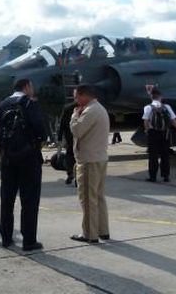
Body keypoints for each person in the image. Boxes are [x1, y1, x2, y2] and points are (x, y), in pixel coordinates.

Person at [0, 79, 47, 251]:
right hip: (28, 158)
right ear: (27, 87)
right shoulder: (29, 104)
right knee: (29, 200)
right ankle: (29, 240)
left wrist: (3, 153)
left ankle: (6, 237)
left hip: (7, 159)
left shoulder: (1, 104)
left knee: (7, 199)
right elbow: (41, 131)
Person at [69, 84, 111, 244]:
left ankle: (89, 234)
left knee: (87, 198)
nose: (75, 101)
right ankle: (102, 230)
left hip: (89, 161)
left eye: (76, 97)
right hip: (99, 158)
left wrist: (74, 116)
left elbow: (77, 131)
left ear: (84, 95)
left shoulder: (90, 110)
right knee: (98, 197)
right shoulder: (98, 108)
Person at [142, 88, 176, 183]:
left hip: (153, 133)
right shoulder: (167, 107)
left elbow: (146, 121)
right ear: (160, 97)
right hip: (165, 133)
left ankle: (153, 177)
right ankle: (166, 176)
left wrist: (147, 131)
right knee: (165, 155)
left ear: (152, 97)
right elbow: (173, 120)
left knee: (153, 156)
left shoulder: (148, 107)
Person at [57, 101, 77, 185]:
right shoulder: (85, 108)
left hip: (70, 138)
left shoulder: (67, 108)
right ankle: (77, 177)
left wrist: (59, 137)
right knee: (78, 158)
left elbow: (62, 124)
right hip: (80, 137)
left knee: (69, 156)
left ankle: (70, 173)